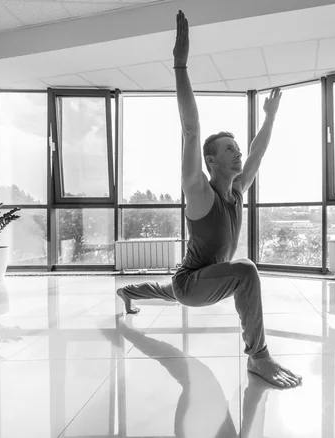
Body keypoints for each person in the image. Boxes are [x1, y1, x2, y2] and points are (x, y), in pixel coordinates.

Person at [117, 9, 302, 389]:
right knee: (245, 270)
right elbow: (190, 129)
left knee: (160, 291)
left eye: (237, 148)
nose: (237, 154)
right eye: (229, 149)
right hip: (193, 283)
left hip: (200, 277)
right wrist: (180, 67)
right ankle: (258, 357)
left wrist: (268, 117)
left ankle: (125, 291)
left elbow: (258, 152)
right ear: (211, 160)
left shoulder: (236, 190)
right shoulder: (199, 191)